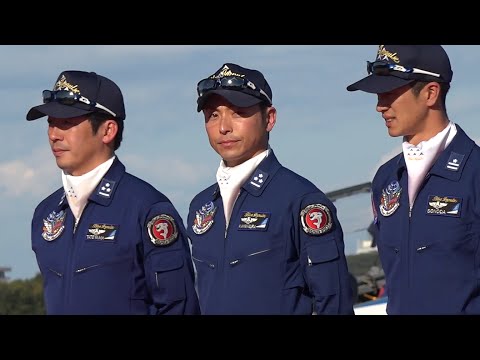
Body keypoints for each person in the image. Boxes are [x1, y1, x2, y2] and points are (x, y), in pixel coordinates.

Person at [26, 70, 200, 315]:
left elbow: (178, 307)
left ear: (108, 131)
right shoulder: (46, 213)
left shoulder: (148, 209)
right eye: (51, 122)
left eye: (67, 122)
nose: (54, 134)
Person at [187, 63, 354, 315]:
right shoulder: (201, 206)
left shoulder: (301, 201)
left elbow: (334, 304)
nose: (224, 127)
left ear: (270, 118)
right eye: (213, 115)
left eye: (238, 112)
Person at [347, 45, 480, 314]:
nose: (379, 106)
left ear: (431, 93)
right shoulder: (385, 179)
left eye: (390, 93)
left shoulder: (475, 172)